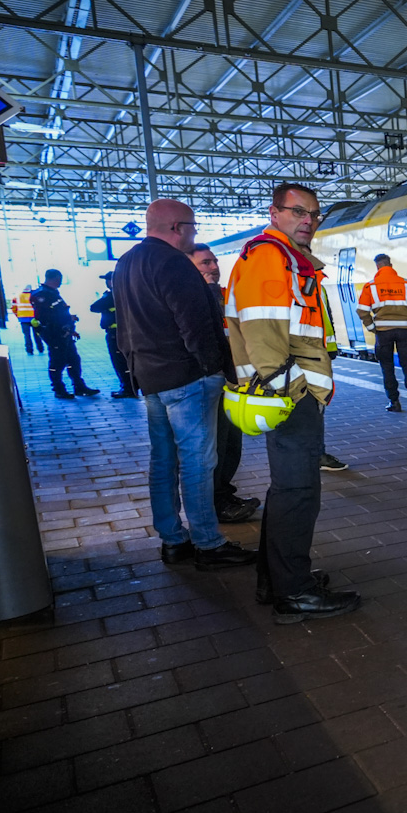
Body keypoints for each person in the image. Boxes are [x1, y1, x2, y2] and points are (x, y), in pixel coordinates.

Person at [226, 183, 361, 622]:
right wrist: (294, 390)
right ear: (275, 212)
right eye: (298, 212)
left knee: (288, 491)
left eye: (314, 214)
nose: (308, 220)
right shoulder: (269, 256)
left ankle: (277, 580)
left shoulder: (283, 257)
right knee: (298, 493)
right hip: (288, 396)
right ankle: (295, 592)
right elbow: (264, 333)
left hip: (287, 393)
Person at [111, 200, 258, 572]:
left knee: (162, 461)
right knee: (198, 462)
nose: (194, 234)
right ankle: (209, 544)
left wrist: (136, 371)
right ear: (177, 227)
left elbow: (125, 328)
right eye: (192, 227)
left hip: (151, 378)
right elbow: (196, 326)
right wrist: (215, 369)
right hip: (187, 379)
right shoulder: (174, 263)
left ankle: (173, 540)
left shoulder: (126, 262)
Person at [190, 244, 259, 524]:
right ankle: (216, 505)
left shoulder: (223, 295)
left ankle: (225, 494)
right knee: (214, 447)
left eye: (214, 262)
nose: (213, 267)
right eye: (205, 263)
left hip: (232, 381)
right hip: (209, 382)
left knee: (231, 444)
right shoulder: (191, 296)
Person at [357, 252, 407, 412]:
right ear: (391, 265)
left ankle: (394, 401)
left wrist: (371, 327)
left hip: (383, 332)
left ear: (377, 267)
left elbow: (362, 310)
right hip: (405, 331)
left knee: (387, 366)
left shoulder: (371, 286)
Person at [30, 269, 98, 399]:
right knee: (57, 362)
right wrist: (67, 320)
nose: (60, 282)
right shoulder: (41, 295)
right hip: (53, 334)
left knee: (74, 360)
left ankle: (79, 386)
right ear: (56, 278)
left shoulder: (52, 293)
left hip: (64, 333)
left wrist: (70, 326)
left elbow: (59, 312)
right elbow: (46, 316)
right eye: (59, 279)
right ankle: (59, 389)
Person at [88, 272, 140, 398]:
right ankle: (131, 387)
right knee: (127, 361)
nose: (106, 282)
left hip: (116, 334)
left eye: (108, 280)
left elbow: (94, 307)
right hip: (127, 333)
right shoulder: (128, 292)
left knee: (120, 362)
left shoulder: (114, 294)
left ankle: (128, 388)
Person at [15, 286, 38, 354]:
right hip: (34, 318)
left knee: (27, 335)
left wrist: (18, 315)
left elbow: (14, 307)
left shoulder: (18, 296)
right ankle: (40, 348)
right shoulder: (34, 296)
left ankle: (29, 350)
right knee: (36, 334)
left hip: (23, 318)